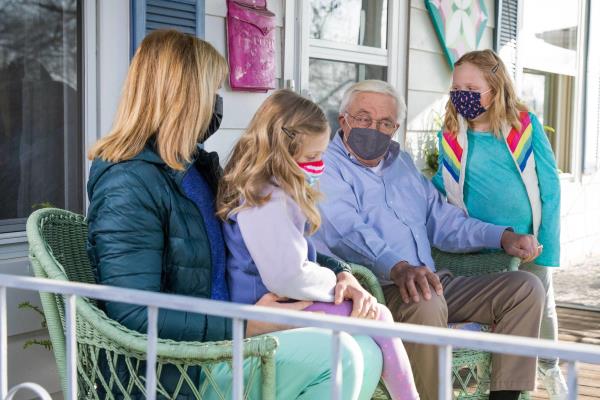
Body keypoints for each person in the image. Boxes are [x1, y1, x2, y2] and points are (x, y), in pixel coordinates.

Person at [86, 30, 382, 399]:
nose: (217, 103)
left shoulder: (194, 168)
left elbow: (273, 242)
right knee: (344, 358)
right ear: (183, 97)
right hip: (179, 368)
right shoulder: (128, 182)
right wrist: (241, 325)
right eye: (211, 91)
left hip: (225, 345)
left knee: (367, 350)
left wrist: (342, 275)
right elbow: (132, 314)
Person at [312, 79, 546, 400]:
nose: (373, 129)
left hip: (431, 281)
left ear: (394, 128)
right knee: (425, 300)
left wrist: (501, 237)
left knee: (525, 288)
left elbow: (442, 220)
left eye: (384, 123)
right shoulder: (326, 167)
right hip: (375, 291)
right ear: (343, 120)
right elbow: (345, 230)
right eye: (363, 119)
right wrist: (398, 267)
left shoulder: (402, 164)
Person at [217, 89, 419, 400]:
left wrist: (340, 275)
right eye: (312, 157)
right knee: (379, 318)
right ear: (282, 153)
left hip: (282, 302)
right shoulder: (265, 200)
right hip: (268, 307)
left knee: (375, 323)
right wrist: (333, 282)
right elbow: (287, 275)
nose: (319, 164)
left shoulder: (272, 192)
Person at [431, 49, 566, 399]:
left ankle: (548, 367)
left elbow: (549, 187)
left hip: (529, 242)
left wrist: (546, 245)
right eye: (456, 87)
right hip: (482, 242)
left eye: (472, 87)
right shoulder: (450, 135)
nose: (462, 94)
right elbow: (441, 185)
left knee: (540, 310)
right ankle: (479, 380)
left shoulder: (524, 126)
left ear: (494, 87)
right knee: (493, 310)